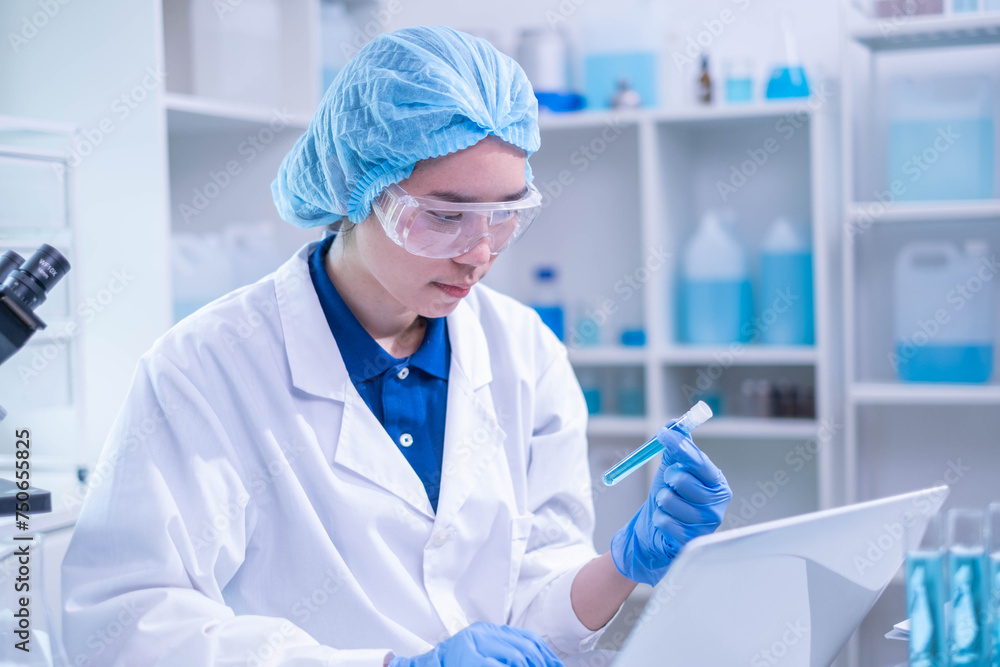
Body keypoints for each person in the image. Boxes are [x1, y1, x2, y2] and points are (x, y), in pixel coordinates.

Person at [61, 26, 731, 666]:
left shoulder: (525, 351)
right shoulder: (206, 368)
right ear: (356, 189)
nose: (478, 254)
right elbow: (127, 627)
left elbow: (533, 605)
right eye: (444, 216)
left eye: (505, 215)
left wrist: (623, 562)